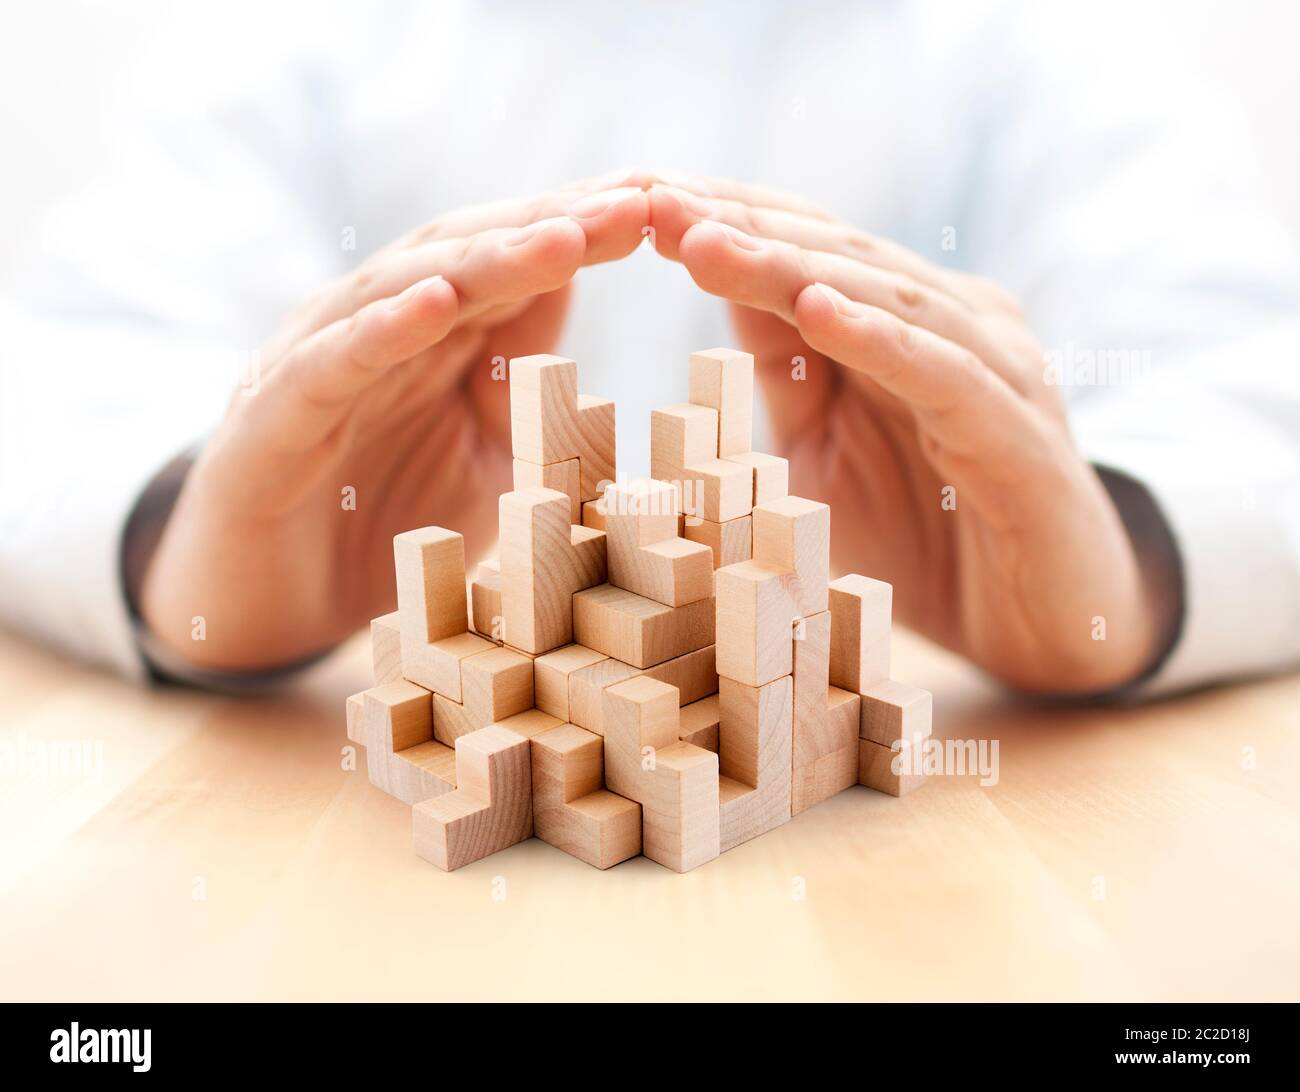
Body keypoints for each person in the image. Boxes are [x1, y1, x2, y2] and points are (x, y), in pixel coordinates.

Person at [2, 1, 1298, 696]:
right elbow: (61, 373)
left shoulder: (1028, 39)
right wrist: (180, 551)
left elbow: (1251, 372)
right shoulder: (296, 38)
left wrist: (1124, 568)